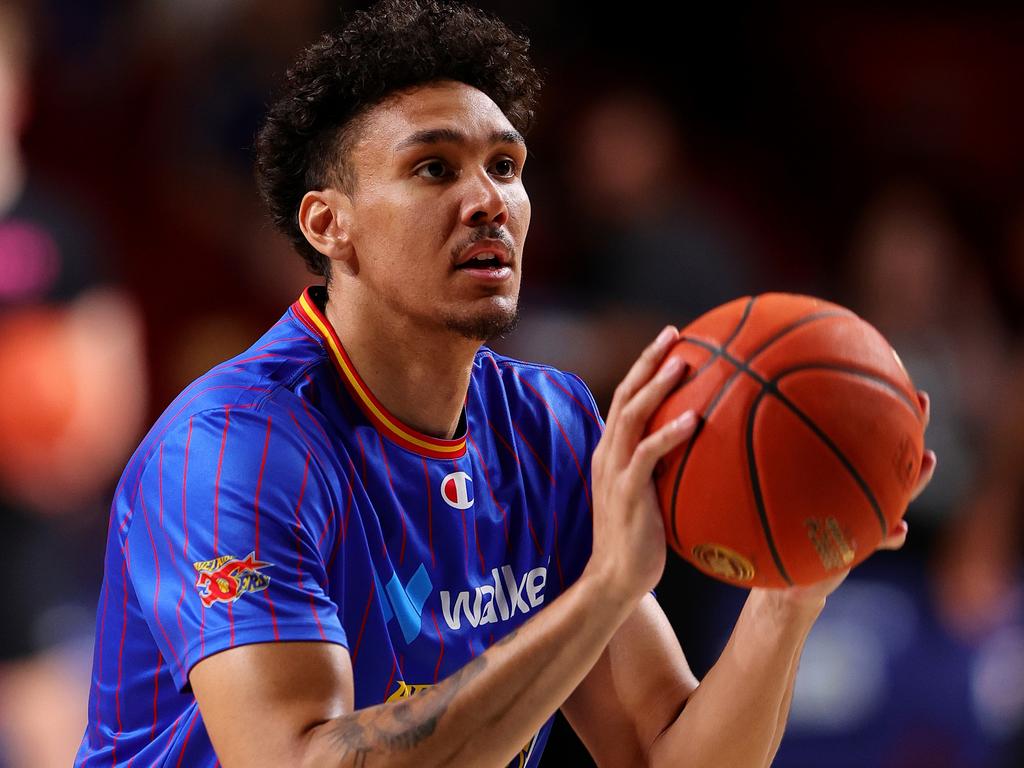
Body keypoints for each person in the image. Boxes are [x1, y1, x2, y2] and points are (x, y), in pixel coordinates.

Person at [75, 1, 934, 766]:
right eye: (434, 169)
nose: (489, 200)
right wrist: (603, 594)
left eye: (507, 167)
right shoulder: (232, 448)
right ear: (328, 224)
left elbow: (666, 754)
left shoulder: (548, 426)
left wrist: (788, 596)